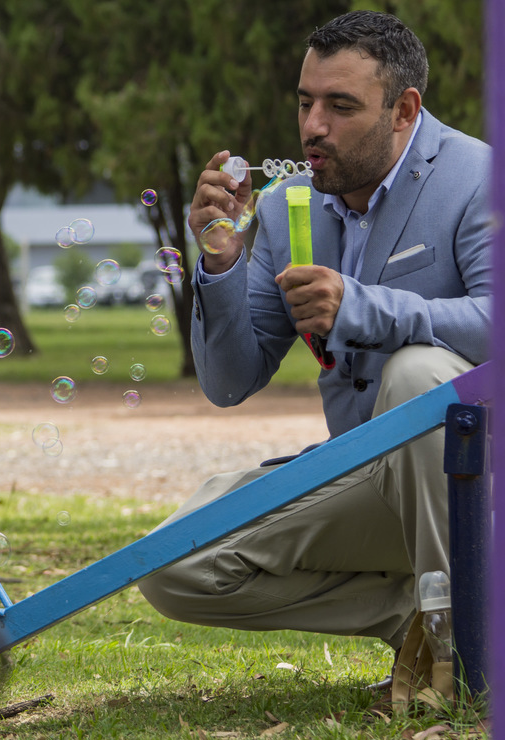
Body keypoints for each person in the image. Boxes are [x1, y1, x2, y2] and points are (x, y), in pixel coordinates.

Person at [138, 11, 490, 674]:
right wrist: (220, 263)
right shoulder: (285, 206)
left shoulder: (477, 178)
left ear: (404, 110)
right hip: (373, 475)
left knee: (418, 374)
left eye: (340, 105)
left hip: (477, 483)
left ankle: (463, 656)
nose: (312, 127)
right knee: (169, 565)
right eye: (305, 102)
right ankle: (426, 615)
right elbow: (229, 381)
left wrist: (361, 307)